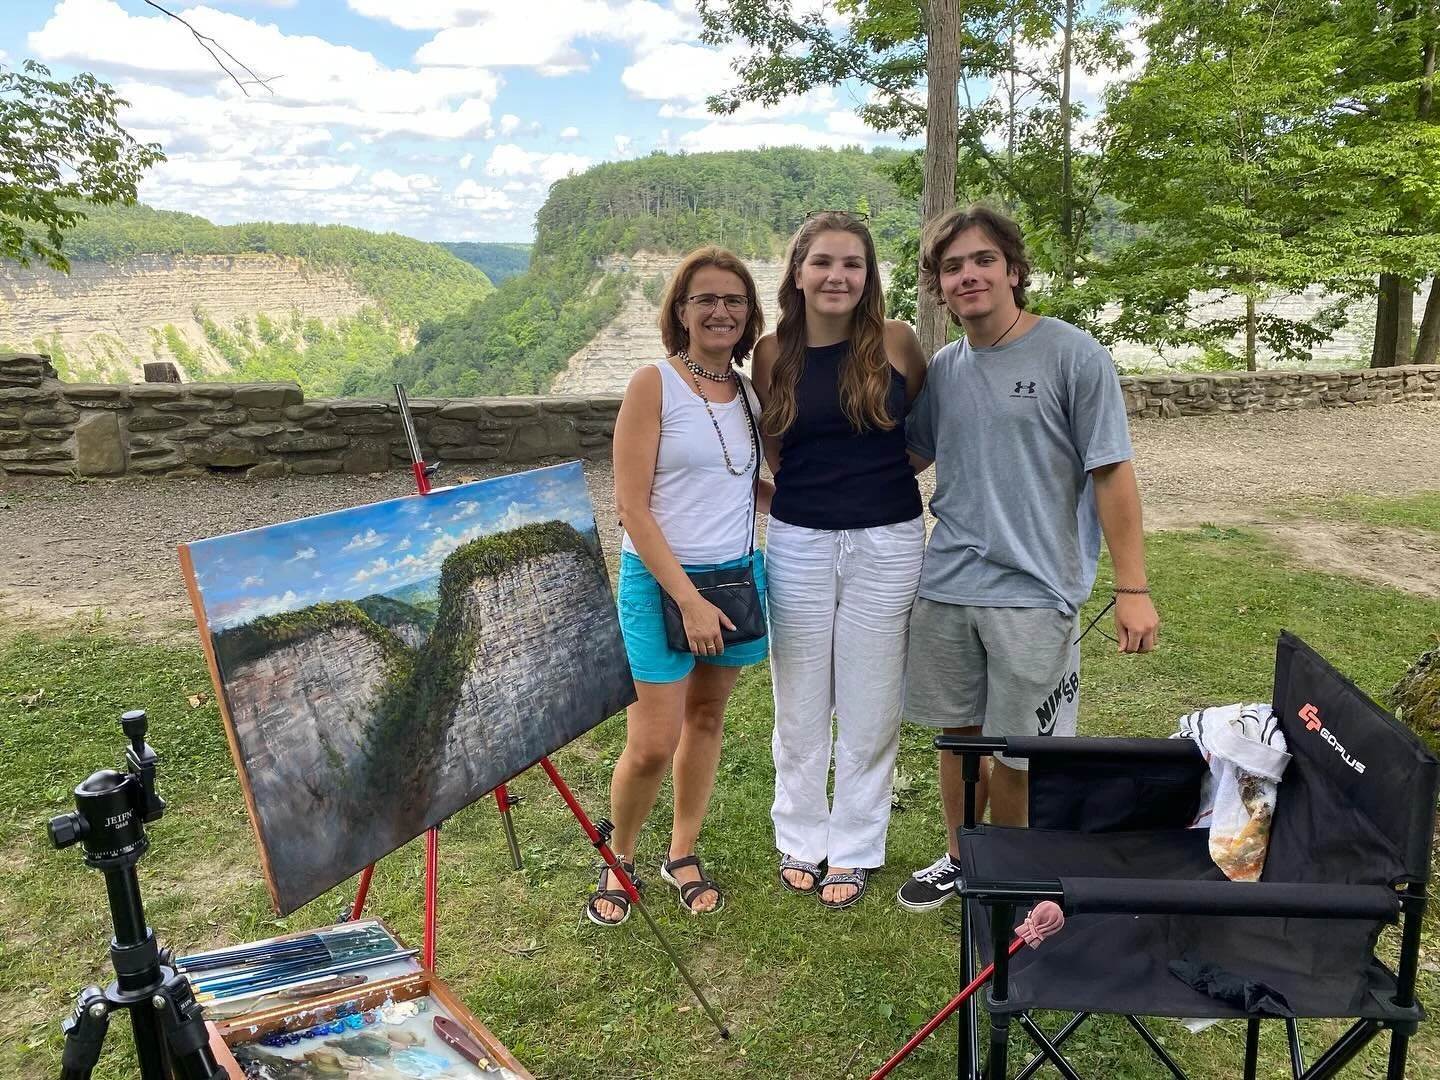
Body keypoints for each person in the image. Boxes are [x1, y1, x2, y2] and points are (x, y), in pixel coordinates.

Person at [897, 205, 1160, 913]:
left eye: (982, 260)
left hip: (1036, 590)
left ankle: (1010, 870)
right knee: (958, 736)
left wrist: (1132, 587)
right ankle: (959, 855)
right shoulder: (947, 369)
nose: (967, 276)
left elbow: (1112, 473)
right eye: (951, 267)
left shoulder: (1074, 356)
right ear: (938, 286)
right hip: (949, 579)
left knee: (1017, 748)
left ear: (1013, 269)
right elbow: (911, 455)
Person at [588, 246, 771, 926]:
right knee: (653, 741)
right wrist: (687, 600)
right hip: (660, 582)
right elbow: (632, 506)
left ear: (749, 314)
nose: (720, 311)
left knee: (707, 719)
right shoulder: (652, 384)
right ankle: (619, 857)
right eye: (706, 299)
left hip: (732, 576)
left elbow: (740, 483)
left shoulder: (748, 393)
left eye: (734, 300)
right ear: (682, 311)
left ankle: (682, 851)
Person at [753, 211, 928, 910]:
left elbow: (918, 438)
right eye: (823, 262)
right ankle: (801, 835)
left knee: (870, 699)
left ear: (869, 275)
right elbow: (776, 446)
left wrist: (871, 484)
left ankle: (855, 846)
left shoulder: (899, 343)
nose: (837, 275)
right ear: (798, 272)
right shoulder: (773, 353)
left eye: (852, 263)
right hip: (798, 539)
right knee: (797, 699)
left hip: (888, 540)